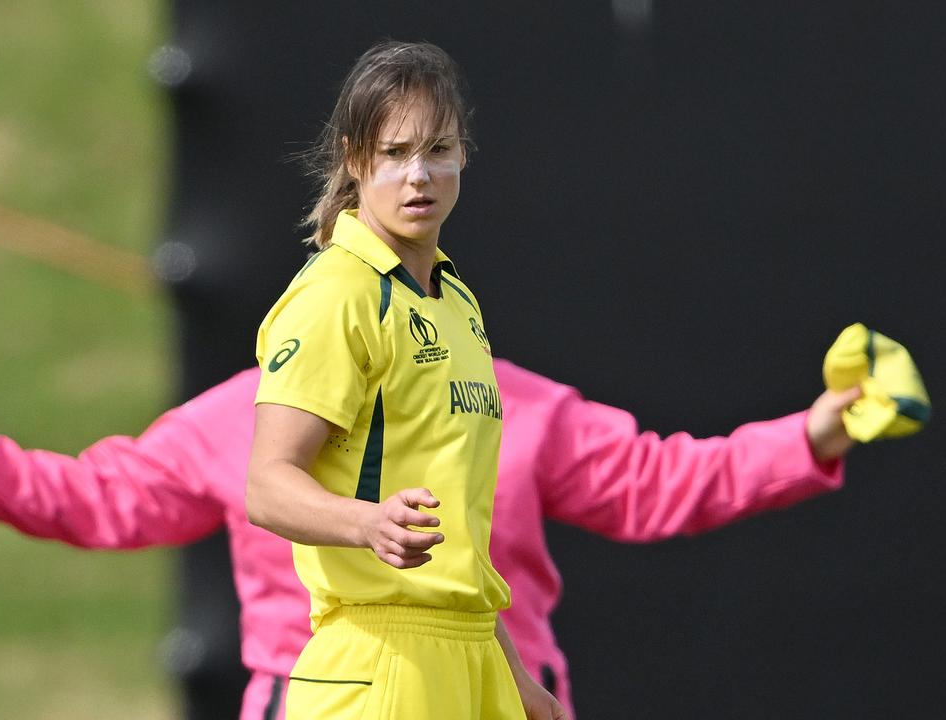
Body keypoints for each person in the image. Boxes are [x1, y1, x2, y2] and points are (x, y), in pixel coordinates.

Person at [240, 40, 853, 720]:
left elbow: (459, 561)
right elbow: (267, 484)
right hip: (378, 663)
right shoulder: (338, 294)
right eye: (394, 153)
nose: (419, 175)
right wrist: (367, 522)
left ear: (464, 155)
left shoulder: (455, 304)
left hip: (470, 654)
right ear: (355, 159)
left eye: (438, 149)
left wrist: (521, 686)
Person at [0, 362, 855, 719]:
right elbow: (97, 498)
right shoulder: (242, 418)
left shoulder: (510, 408)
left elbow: (661, 481)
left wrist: (801, 436)